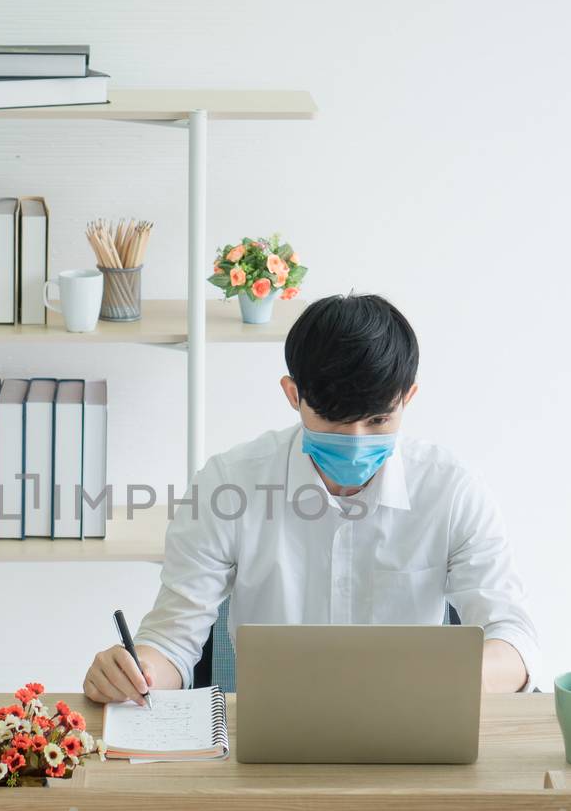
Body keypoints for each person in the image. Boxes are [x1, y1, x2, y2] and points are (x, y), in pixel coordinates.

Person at [83, 292, 538, 703]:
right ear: (293, 394)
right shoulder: (229, 484)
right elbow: (173, 640)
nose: (357, 440)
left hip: (413, 724)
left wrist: (455, 681)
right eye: (336, 421)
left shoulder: (452, 490)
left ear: (408, 398)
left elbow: (513, 640)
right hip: (273, 729)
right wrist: (136, 671)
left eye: (378, 421)